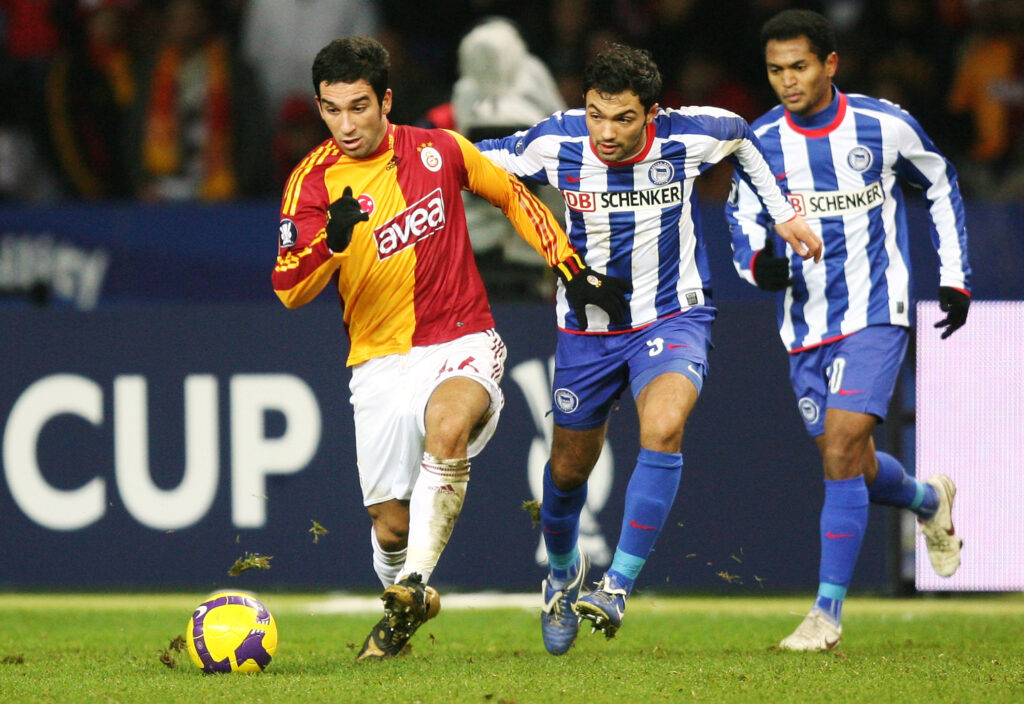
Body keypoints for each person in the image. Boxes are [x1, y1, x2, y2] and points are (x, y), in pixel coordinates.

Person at [271, 36, 626, 661]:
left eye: (359, 106)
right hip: (379, 361)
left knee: (448, 424)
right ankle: (401, 608)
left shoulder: (441, 150)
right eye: (332, 110)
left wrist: (569, 267)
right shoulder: (313, 181)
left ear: (385, 100)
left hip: (462, 337)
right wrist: (330, 242)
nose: (346, 124)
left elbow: (514, 194)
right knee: (391, 524)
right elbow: (288, 291)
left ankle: (414, 581)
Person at [476, 42, 822, 655]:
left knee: (662, 427)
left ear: (652, 113)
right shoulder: (555, 142)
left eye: (623, 118)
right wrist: (397, 151)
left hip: (673, 315)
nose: (606, 133)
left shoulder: (689, 136)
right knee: (565, 473)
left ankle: (616, 587)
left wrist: (784, 215)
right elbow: (467, 159)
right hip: (586, 328)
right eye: (595, 114)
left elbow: (743, 136)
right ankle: (562, 575)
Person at [725, 9, 971, 651]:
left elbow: (941, 183)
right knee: (853, 465)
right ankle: (926, 499)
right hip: (804, 323)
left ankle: (825, 615)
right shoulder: (758, 143)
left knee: (840, 449)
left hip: (875, 311)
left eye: (799, 66)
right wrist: (762, 265)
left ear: (830, 64)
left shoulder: (882, 124)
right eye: (776, 70)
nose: (787, 81)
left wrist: (954, 274)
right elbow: (740, 226)